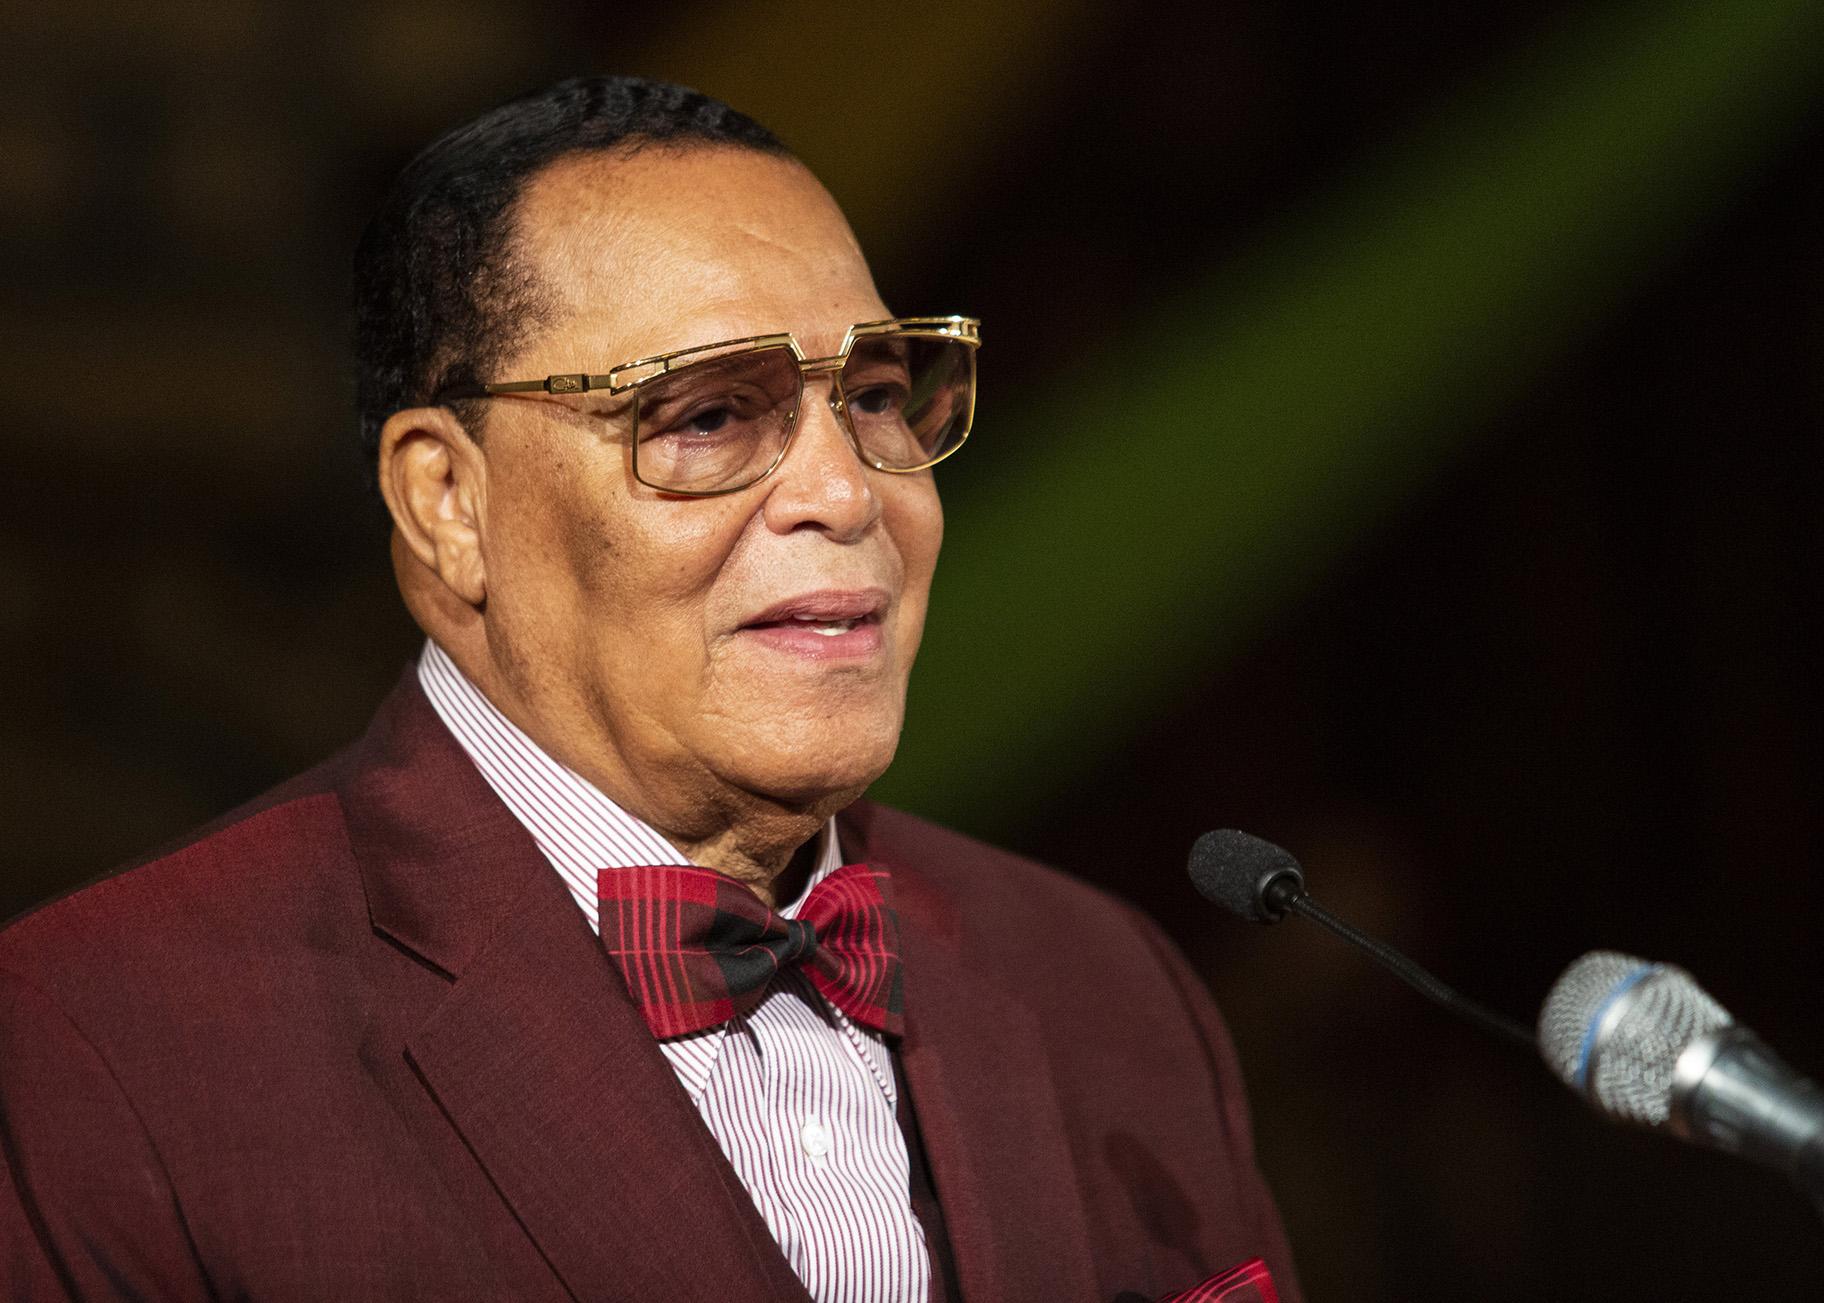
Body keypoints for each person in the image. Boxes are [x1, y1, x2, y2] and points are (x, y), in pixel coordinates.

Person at [0, 76, 1297, 1302]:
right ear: (448, 503)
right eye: (710, 417)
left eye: (880, 396)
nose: (850, 495)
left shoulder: (1106, 983)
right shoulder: (106, 1045)